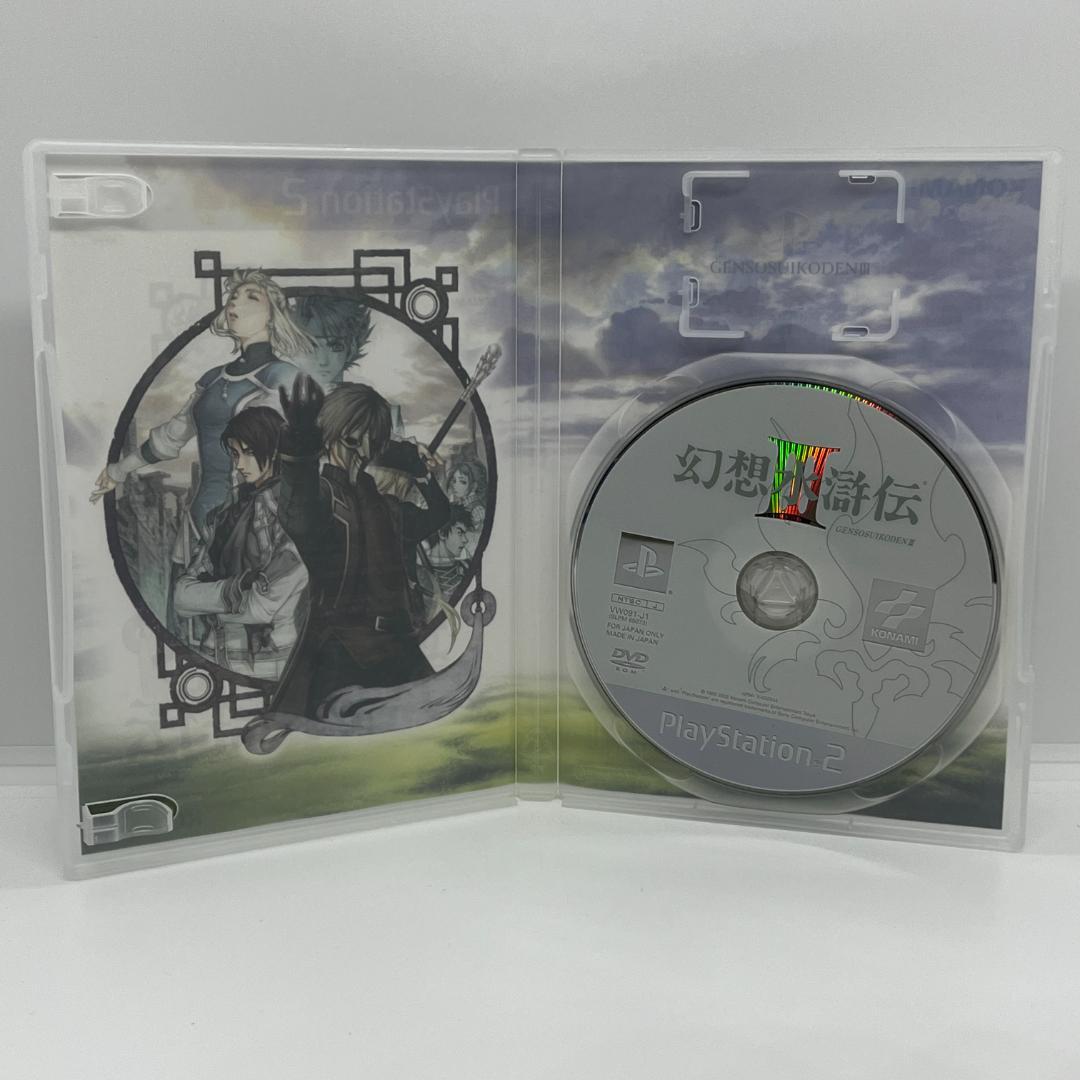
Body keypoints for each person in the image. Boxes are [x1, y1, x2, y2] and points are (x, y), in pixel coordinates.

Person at [91, 269, 315, 538]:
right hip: (200, 518)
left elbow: (304, 451)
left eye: (252, 297)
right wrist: (118, 471)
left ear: (272, 316)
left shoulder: (285, 377)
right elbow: (171, 437)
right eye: (233, 296)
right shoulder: (212, 379)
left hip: (258, 521)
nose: (235, 303)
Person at [270, 374, 432, 719]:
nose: (362, 452)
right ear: (332, 436)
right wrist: (299, 442)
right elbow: (298, 514)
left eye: (373, 442)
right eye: (353, 439)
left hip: (399, 646)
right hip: (341, 653)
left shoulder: (384, 505)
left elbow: (436, 517)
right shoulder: (326, 497)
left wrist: (418, 470)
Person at [173, 407, 307, 678]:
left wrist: (208, 601)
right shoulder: (226, 513)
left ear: (275, 451)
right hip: (214, 657)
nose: (239, 465)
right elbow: (181, 597)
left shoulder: (298, 514)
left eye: (249, 452)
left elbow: (260, 607)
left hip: (271, 665)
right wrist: (236, 589)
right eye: (235, 454)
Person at [293, 293, 374, 388]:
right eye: (311, 346)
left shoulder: (364, 396)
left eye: (336, 347)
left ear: (351, 348)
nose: (323, 361)